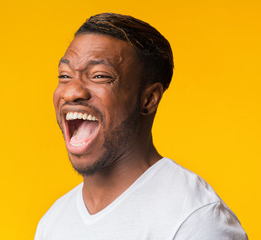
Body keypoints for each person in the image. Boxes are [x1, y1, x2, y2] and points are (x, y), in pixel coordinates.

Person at [35, 13, 247, 239]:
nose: (71, 92)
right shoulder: (53, 222)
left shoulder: (195, 219)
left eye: (99, 76)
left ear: (148, 99)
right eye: (65, 75)